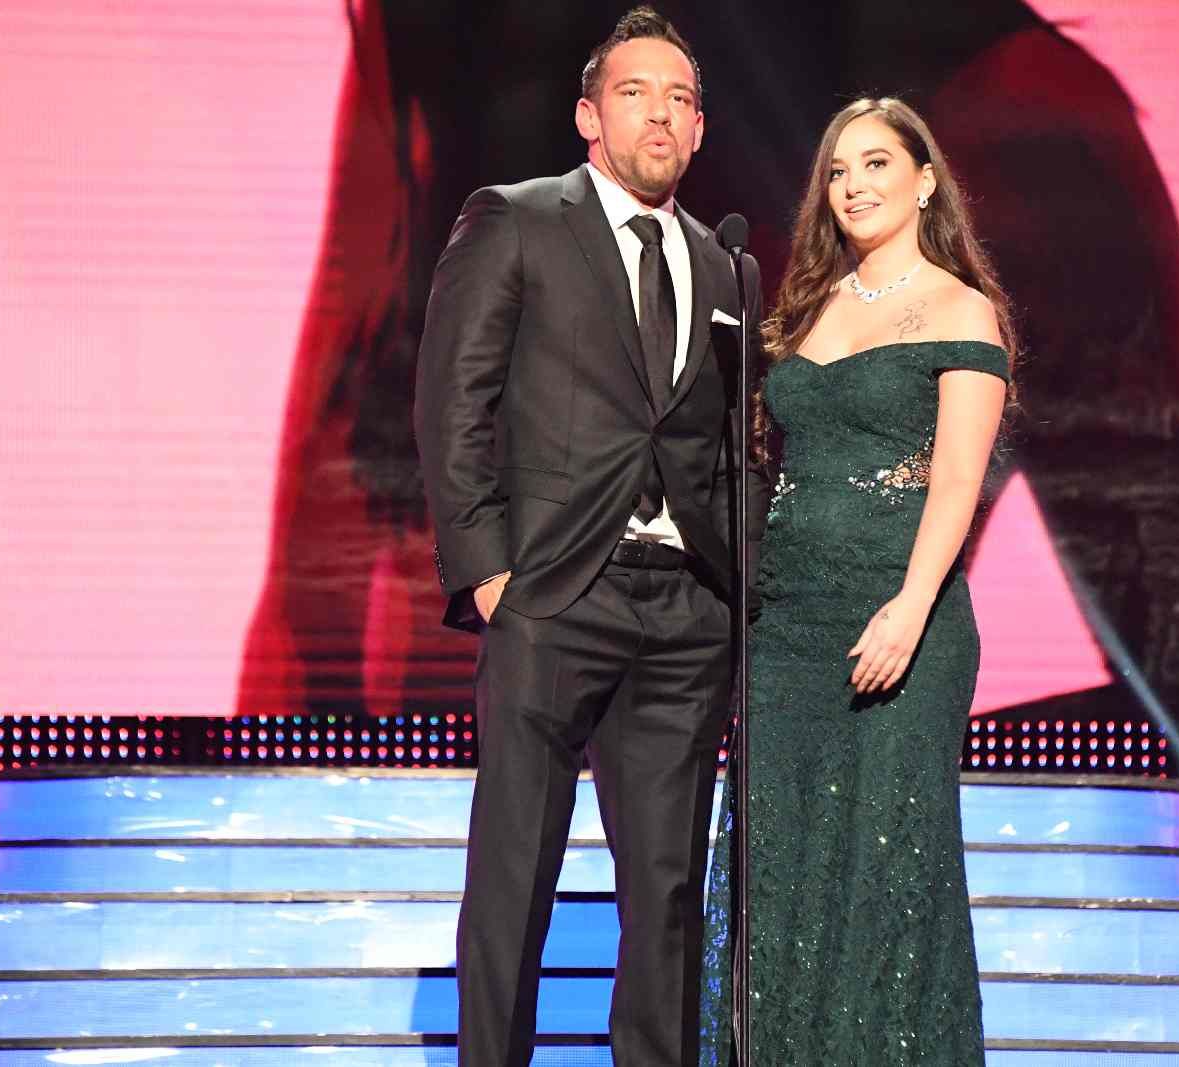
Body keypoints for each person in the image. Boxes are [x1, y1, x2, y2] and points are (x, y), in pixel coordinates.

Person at [413, 8, 761, 1066]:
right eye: (634, 92)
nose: (658, 114)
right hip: (554, 594)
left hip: (685, 612)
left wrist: (733, 589)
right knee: (514, 872)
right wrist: (488, 573)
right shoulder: (515, 220)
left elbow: (730, 446)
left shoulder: (726, 267)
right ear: (587, 116)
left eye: (678, 99)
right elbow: (453, 404)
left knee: (667, 889)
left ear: (698, 129)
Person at [700, 97, 1013, 1065]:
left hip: (901, 624)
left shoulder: (961, 308)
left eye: (876, 163)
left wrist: (910, 609)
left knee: (887, 875)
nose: (853, 185)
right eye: (838, 170)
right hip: (790, 631)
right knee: (782, 871)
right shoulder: (808, 305)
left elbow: (956, 480)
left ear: (925, 181)